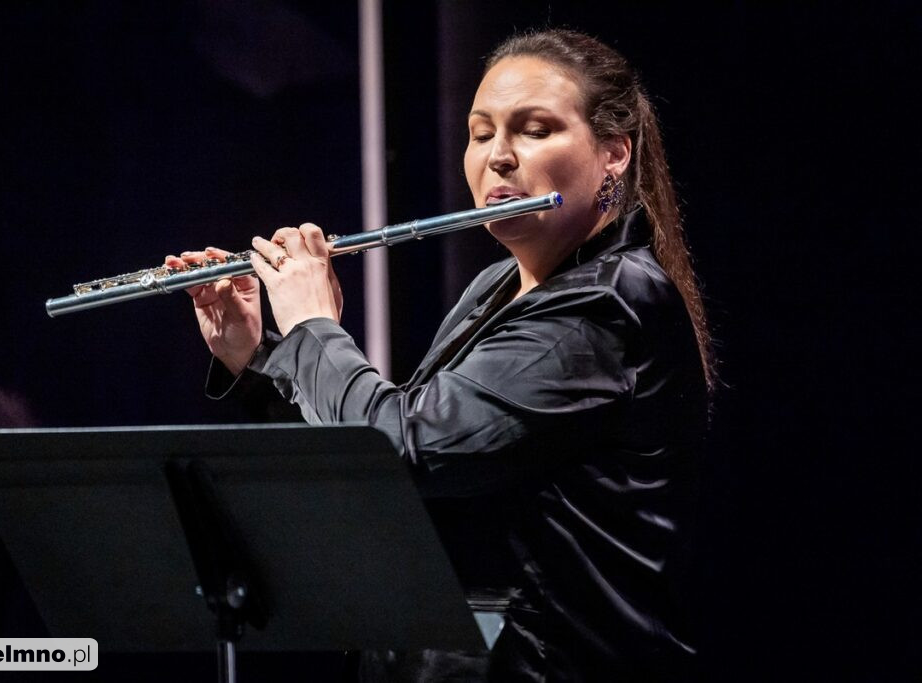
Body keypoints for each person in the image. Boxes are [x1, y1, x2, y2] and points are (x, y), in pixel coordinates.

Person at [167, 28, 712, 683]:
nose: (498, 157)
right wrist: (258, 357)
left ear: (614, 154)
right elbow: (378, 485)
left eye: (534, 129)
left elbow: (405, 447)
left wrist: (312, 324)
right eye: (481, 133)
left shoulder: (607, 306)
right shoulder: (495, 286)